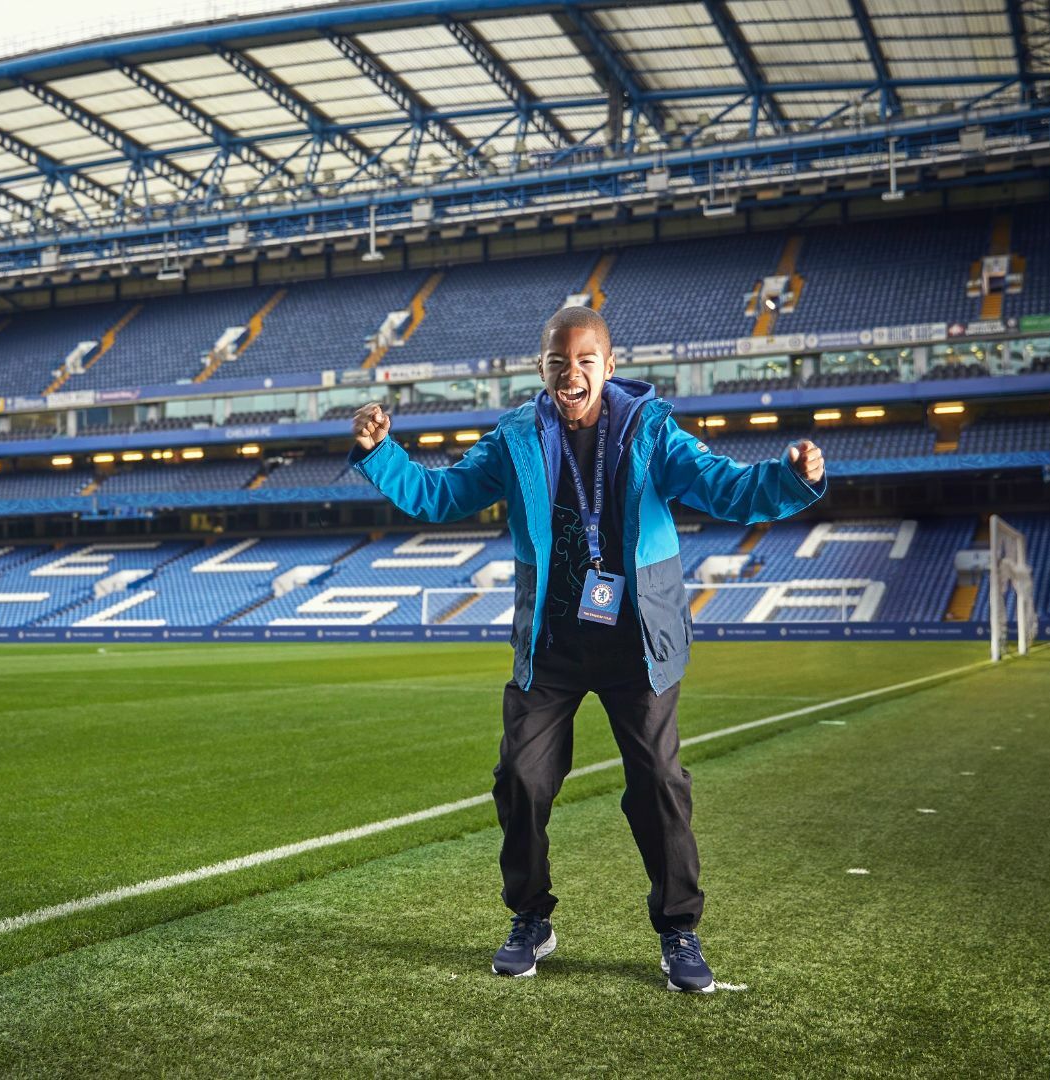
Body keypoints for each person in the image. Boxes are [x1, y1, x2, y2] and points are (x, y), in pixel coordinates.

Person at [348, 305, 826, 991]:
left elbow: (721, 484)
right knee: (520, 777)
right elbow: (443, 494)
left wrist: (789, 478)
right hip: (553, 644)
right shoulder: (516, 438)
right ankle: (530, 918)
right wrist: (380, 455)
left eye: (584, 361)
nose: (570, 373)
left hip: (639, 642)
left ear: (608, 366)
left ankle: (678, 929)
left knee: (658, 782)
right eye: (557, 362)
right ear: (541, 368)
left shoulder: (651, 432)